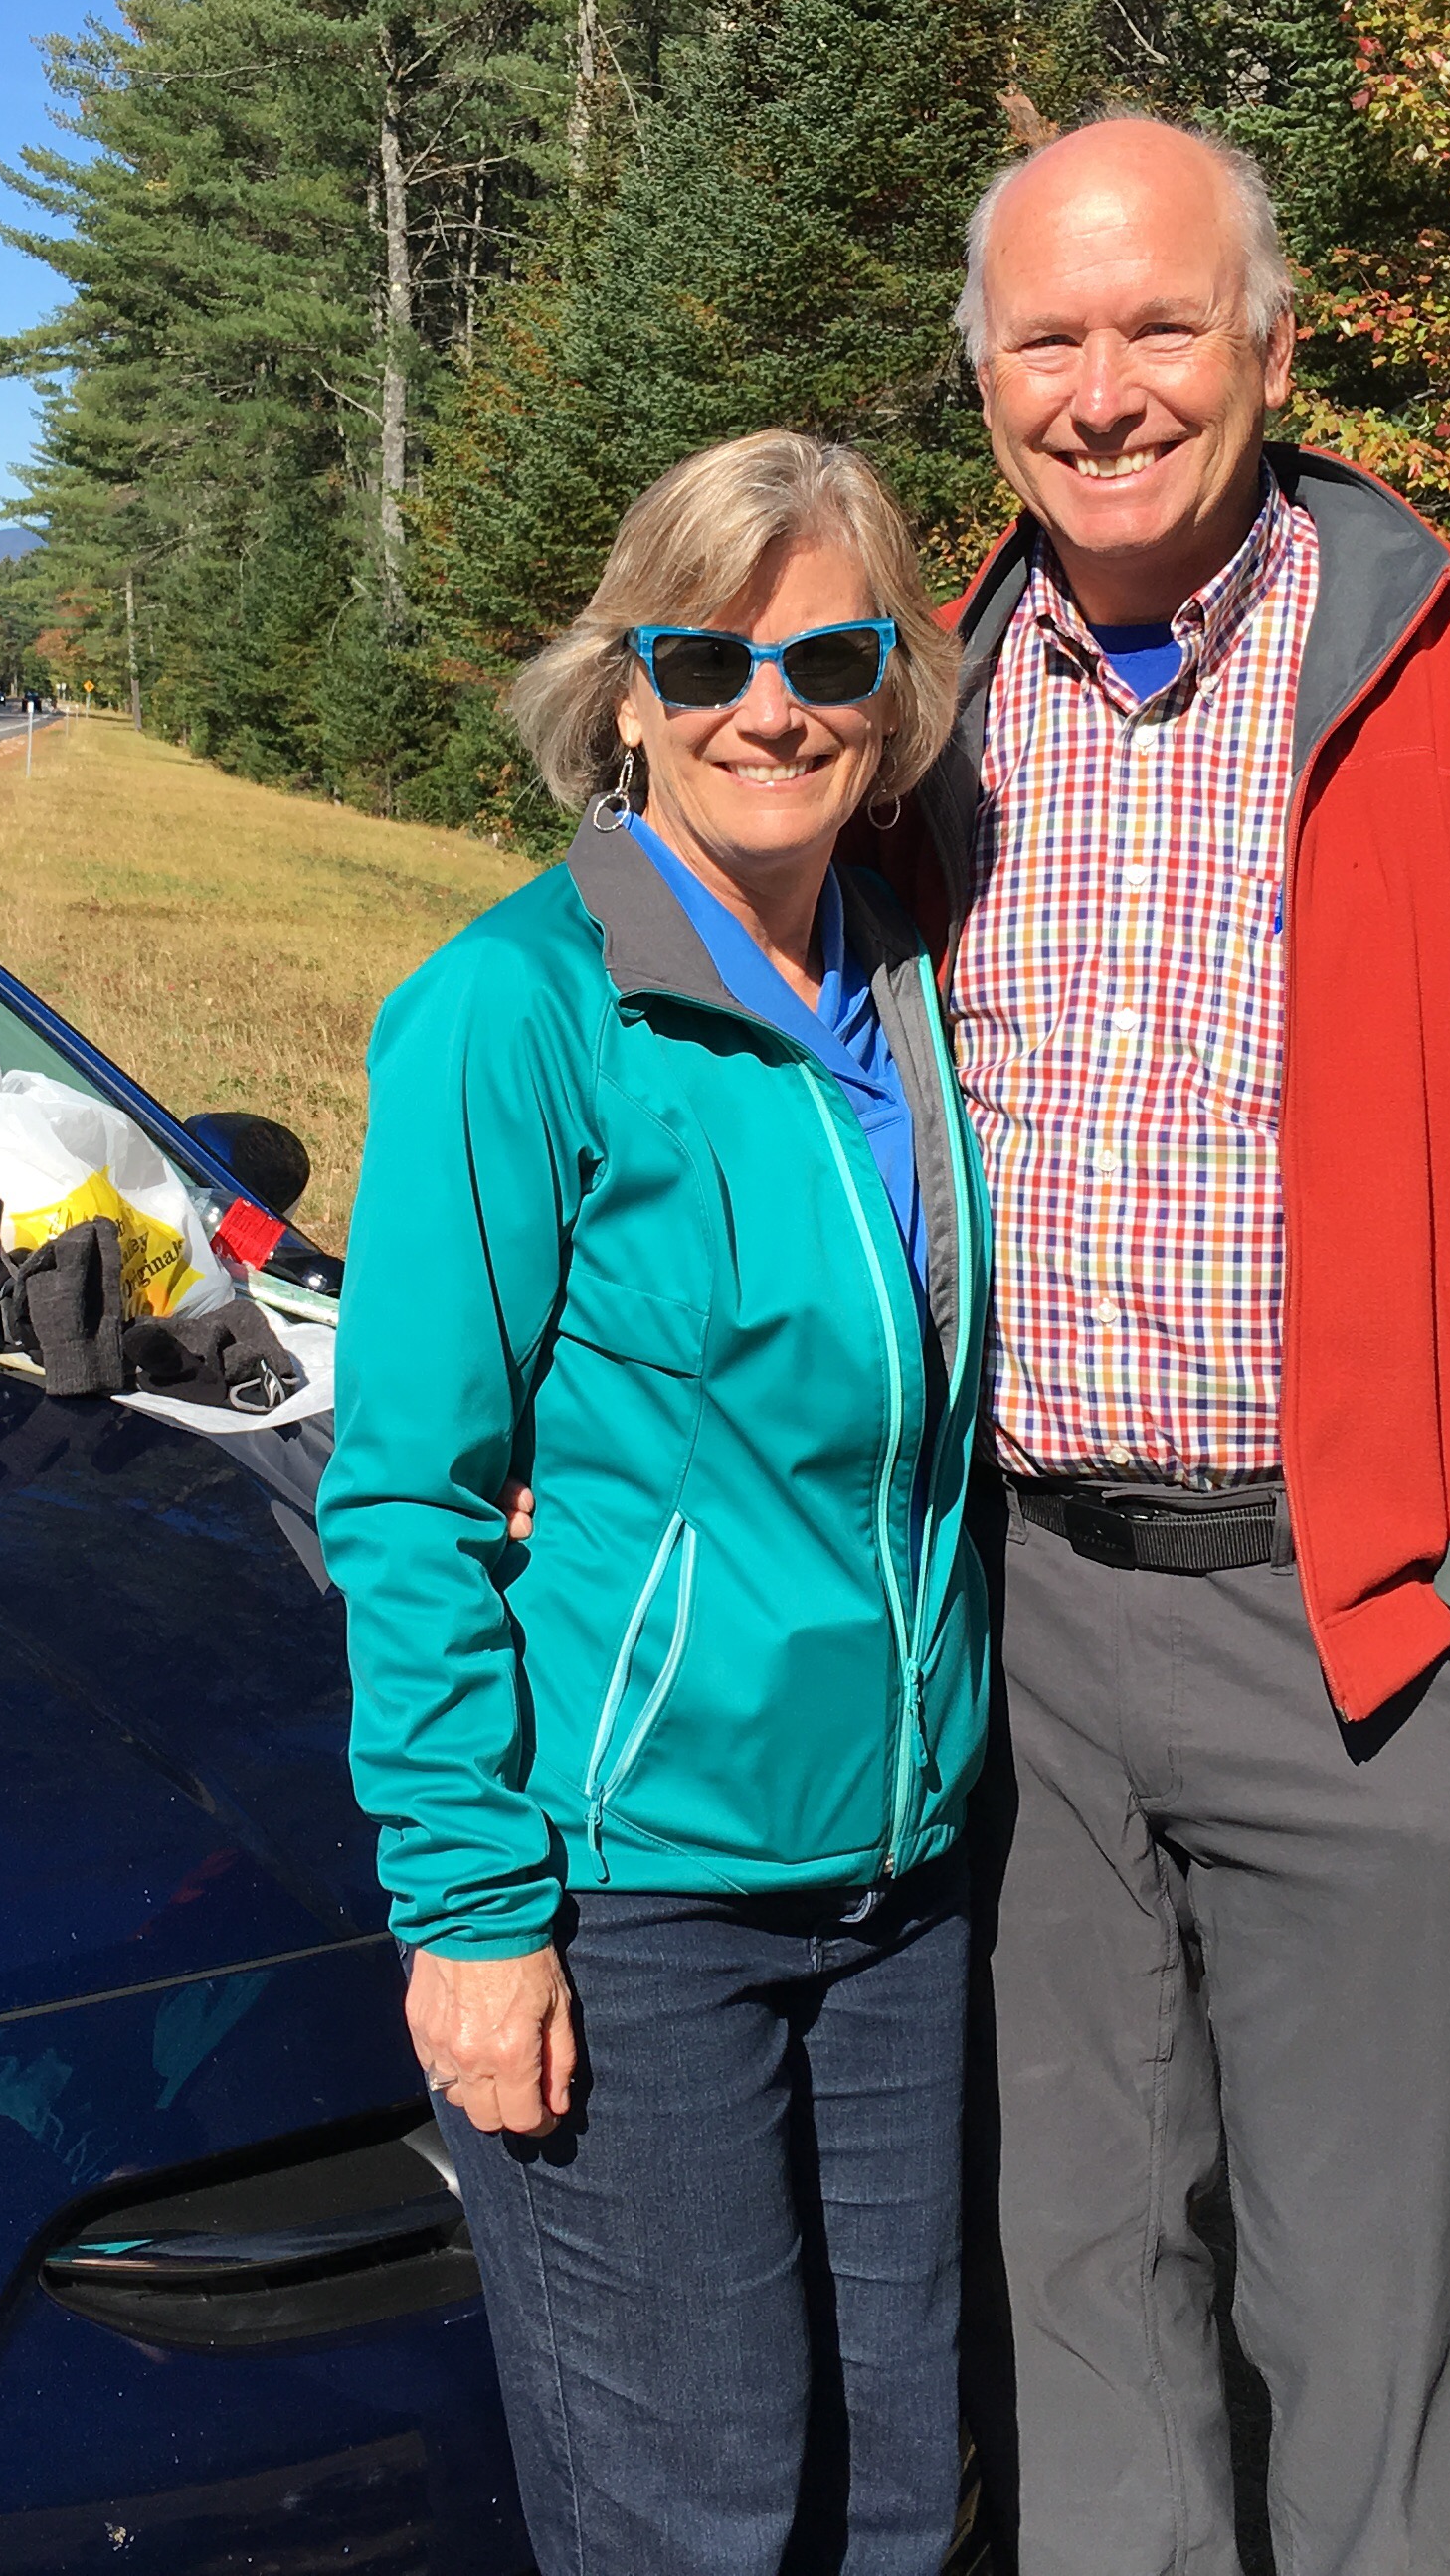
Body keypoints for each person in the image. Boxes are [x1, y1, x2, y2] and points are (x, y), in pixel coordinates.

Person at [874, 116, 1450, 2573]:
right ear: (983, 379)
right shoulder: (925, 702)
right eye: (1048, 339)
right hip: (1015, 1619)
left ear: (1272, 348)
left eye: (1162, 326)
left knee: (1374, 2317)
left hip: (1362, 1627)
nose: (1106, 390)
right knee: (1069, 2271)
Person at [320, 429, 996, 2576]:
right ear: (626, 693)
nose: (767, 710)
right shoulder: (515, 1012)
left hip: (904, 1881)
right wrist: (468, 1910)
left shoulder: (910, 982)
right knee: (695, 2507)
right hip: (643, 1893)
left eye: (829, 658)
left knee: (904, 2488)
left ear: (895, 698)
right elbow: (408, 1497)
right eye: (706, 660)